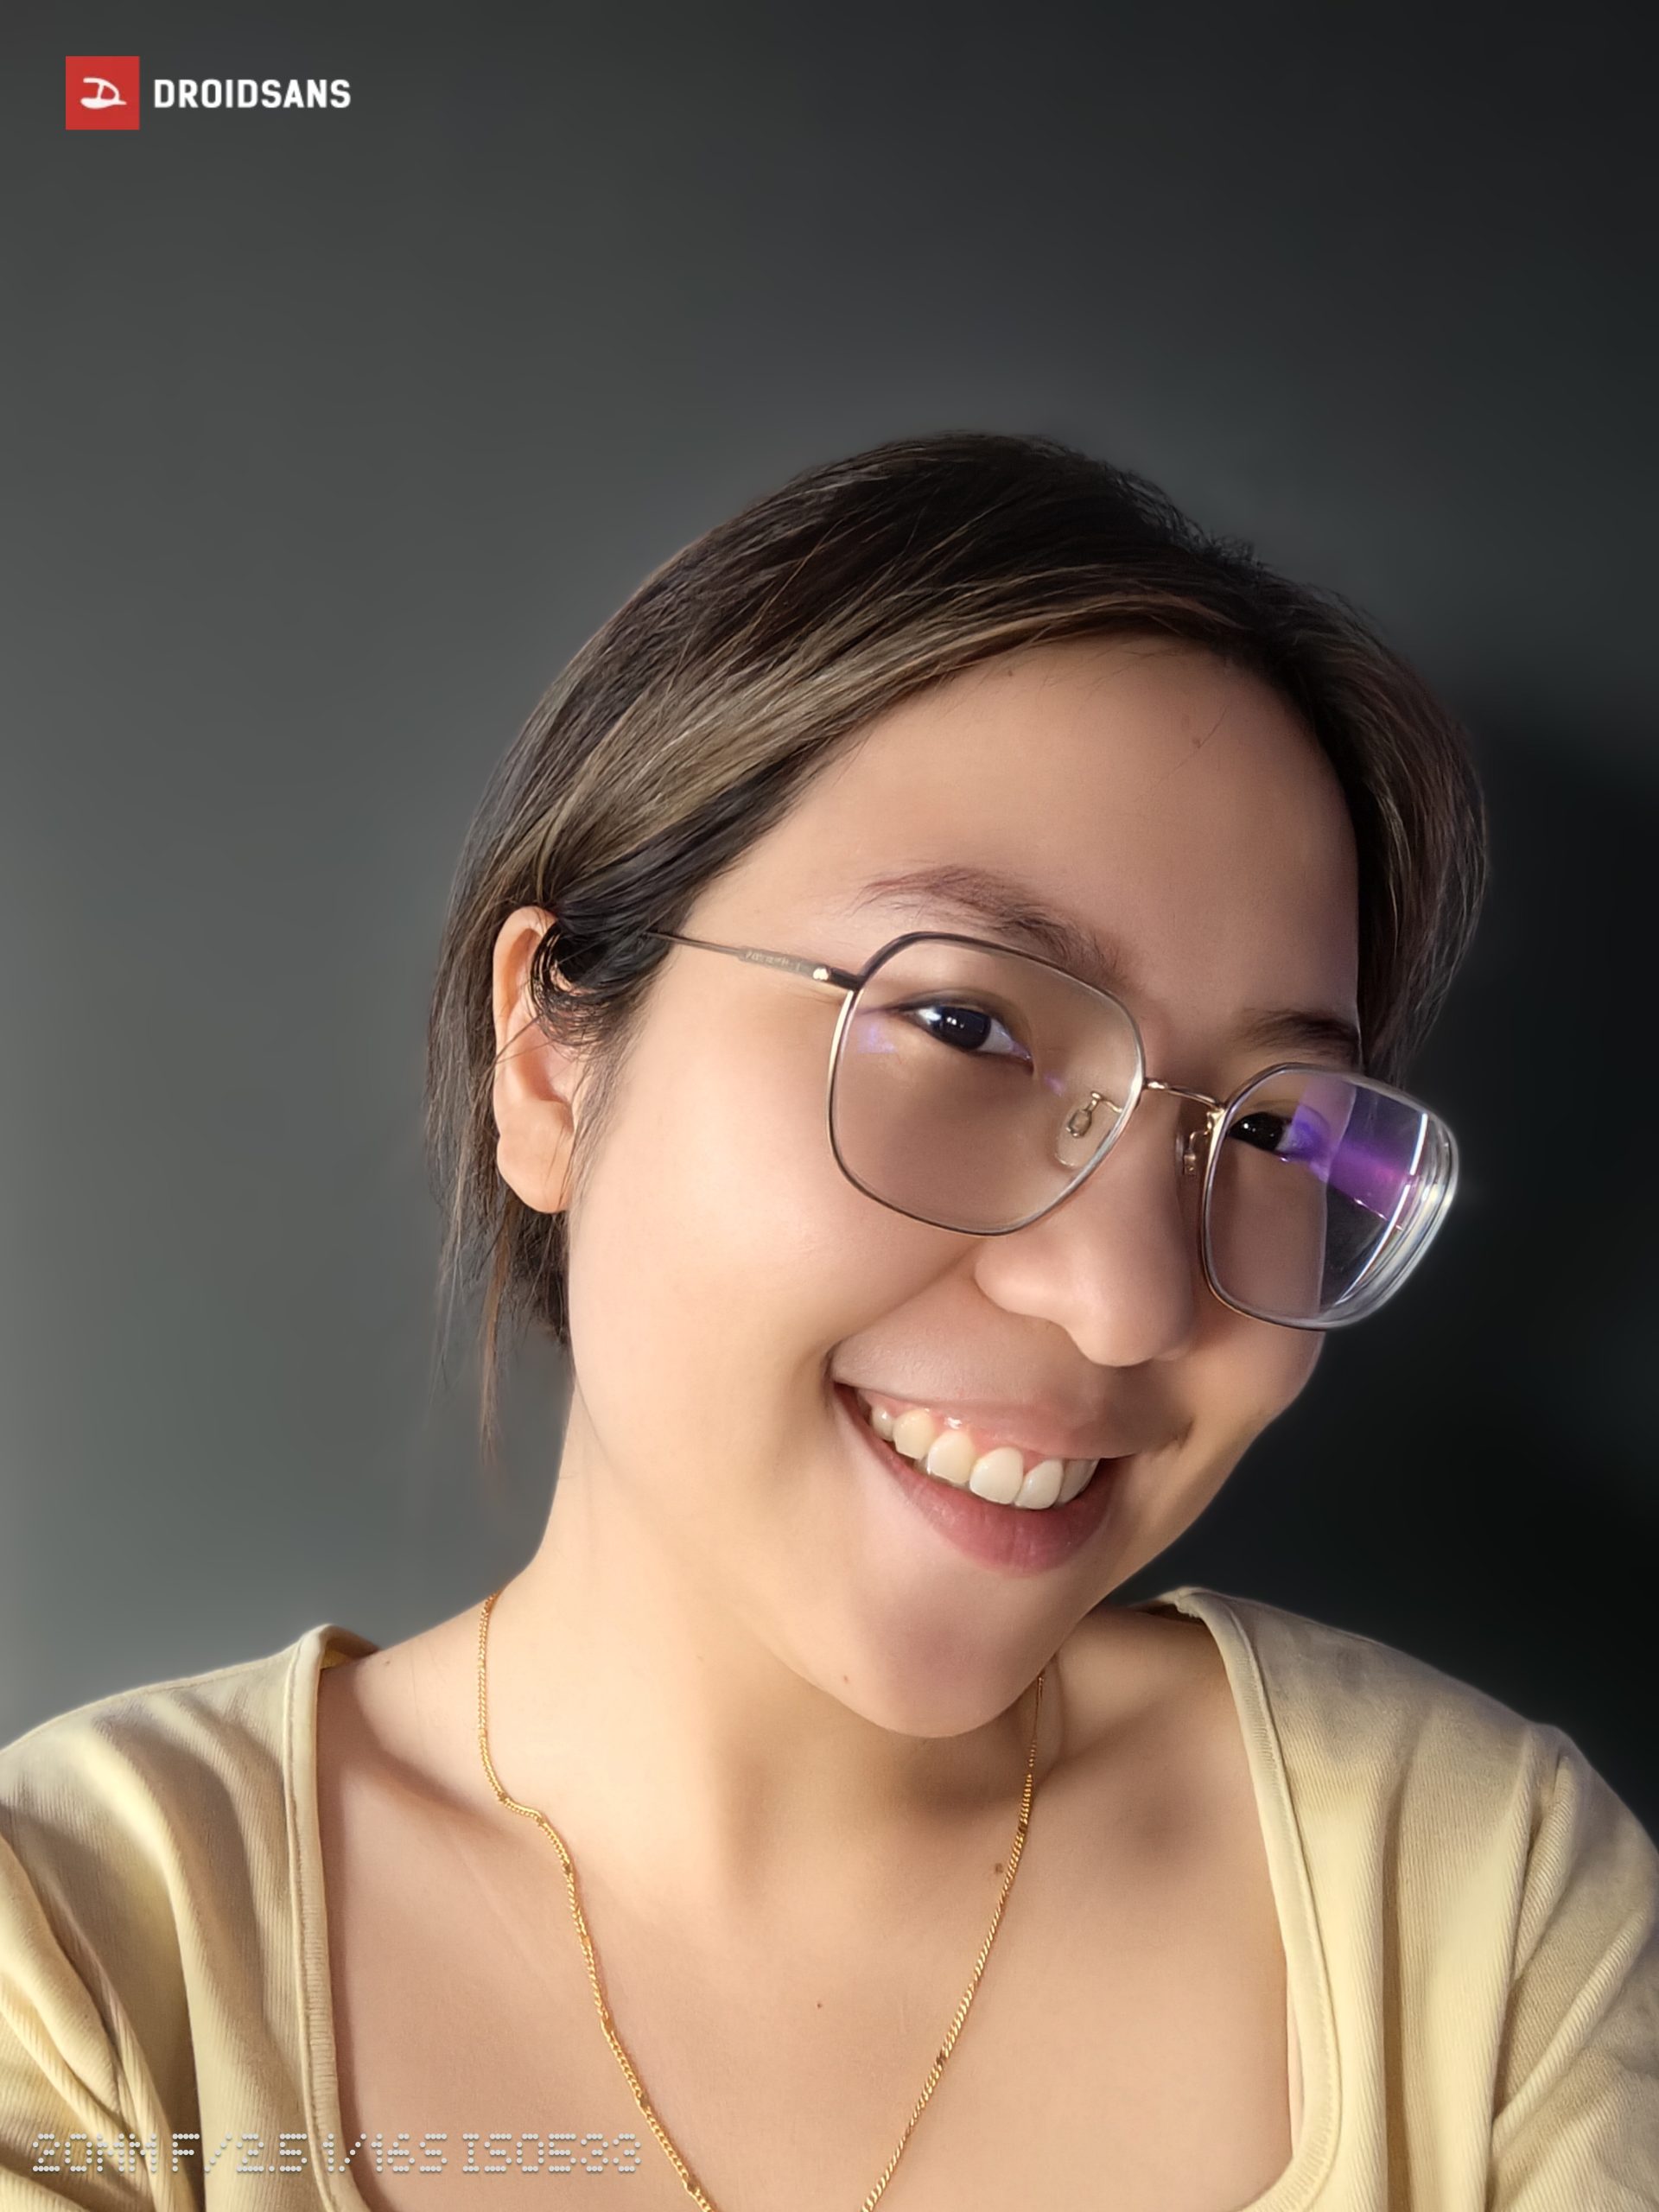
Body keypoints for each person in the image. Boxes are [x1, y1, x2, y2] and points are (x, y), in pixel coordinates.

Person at [3, 431, 1656, 2212]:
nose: (1125, 1302)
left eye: (1275, 1133)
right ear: (550, 1060)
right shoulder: (86, 1957)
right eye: (963, 1027)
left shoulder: (1480, 1914)